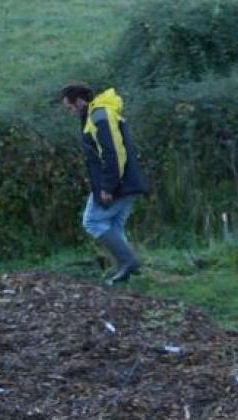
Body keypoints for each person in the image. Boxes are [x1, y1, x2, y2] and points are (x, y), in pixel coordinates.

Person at [60, 83, 150, 285]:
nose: (70, 112)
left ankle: (128, 262)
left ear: (80, 101)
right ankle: (126, 272)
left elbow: (113, 152)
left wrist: (108, 186)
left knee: (92, 221)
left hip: (118, 183)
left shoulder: (100, 116)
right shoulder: (96, 115)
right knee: (114, 226)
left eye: (70, 107)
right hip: (126, 180)